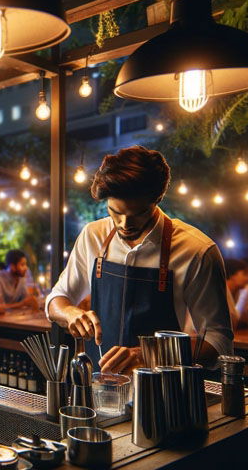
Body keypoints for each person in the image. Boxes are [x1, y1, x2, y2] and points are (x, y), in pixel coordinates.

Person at [46, 146, 233, 373]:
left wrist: (149, 354)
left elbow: (219, 341)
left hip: (163, 393)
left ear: (157, 199)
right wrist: (70, 313)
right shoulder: (92, 235)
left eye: (137, 214)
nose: (125, 225)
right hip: (99, 388)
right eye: (115, 212)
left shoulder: (197, 250)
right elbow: (57, 299)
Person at [224, 259, 248, 328]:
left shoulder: (237, 292)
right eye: (244, 274)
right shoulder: (223, 291)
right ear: (231, 274)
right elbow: (234, 320)